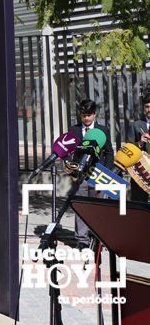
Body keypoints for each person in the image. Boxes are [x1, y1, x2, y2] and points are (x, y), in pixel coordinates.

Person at [67, 99, 113, 249]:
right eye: (83, 115)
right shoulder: (73, 130)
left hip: (98, 174)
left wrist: (106, 173)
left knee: (98, 207)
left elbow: (109, 153)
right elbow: (70, 151)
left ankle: (98, 237)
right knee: (81, 206)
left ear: (95, 114)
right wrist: (71, 166)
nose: (86, 118)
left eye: (89, 115)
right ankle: (81, 239)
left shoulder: (103, 130)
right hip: (80, 175)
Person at [126, 93, 150, 202]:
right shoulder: (135, 125)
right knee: (139, 207)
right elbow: (127, 149)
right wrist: (140, 143)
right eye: (147, 106)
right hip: (140, 174)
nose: (149, 109)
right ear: (144, 108)